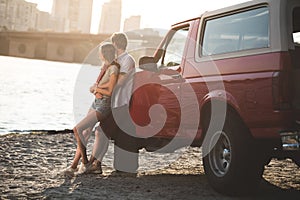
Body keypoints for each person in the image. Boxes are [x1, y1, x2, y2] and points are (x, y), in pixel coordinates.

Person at [63, 43, 120, 175]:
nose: (98, 54)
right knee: (85, 132)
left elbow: (110, 90)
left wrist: (95, 89)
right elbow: (101, 86)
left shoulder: (113, 69)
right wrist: (96, 91)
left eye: (100, 52)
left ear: (104, 53)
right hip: (97, 101)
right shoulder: (105, 67)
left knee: (77, 129)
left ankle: (85, 163)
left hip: (104, 105)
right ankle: (74, 165)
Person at [88, 32, 136, 173]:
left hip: (120, 104)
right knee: (102, 132)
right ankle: (96, 164)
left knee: (101, 131)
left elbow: (119, 83)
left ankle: (94, 164)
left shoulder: (127, 60)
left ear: (115, 44)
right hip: (110, 102)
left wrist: (98, 88)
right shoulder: (115, 61)